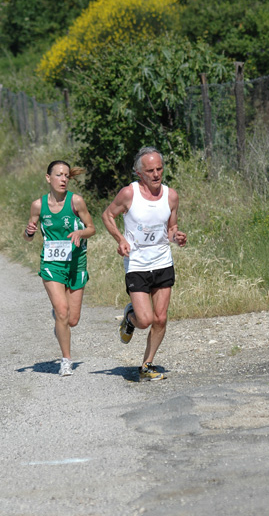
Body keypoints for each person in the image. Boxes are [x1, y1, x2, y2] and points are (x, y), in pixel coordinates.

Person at [102, 146, 187, 381]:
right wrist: (120, 239)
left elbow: (170, 228)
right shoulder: (129, 194)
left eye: (159, 168)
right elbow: (107, 215)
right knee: (145, 320)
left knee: (160, 318)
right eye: (150, 170)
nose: (156, 174)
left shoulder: (171, 196)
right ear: (140, 173)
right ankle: (130, 318)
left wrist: (176, 237)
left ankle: (147, 365)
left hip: (162, 261)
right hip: (137, 264)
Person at [24, 160, 96, 376]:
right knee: (63, 312)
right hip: (51, 263)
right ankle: (66, 360)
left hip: (76, 262)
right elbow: (28, 235)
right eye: (58, 175)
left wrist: (79, 233)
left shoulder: (76, 202)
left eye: (66, 175)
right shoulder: (38, 205)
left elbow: (92, 228)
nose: (63, 179)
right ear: (48, 178)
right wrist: (28, 231)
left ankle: (59, 318)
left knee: (72, 320)